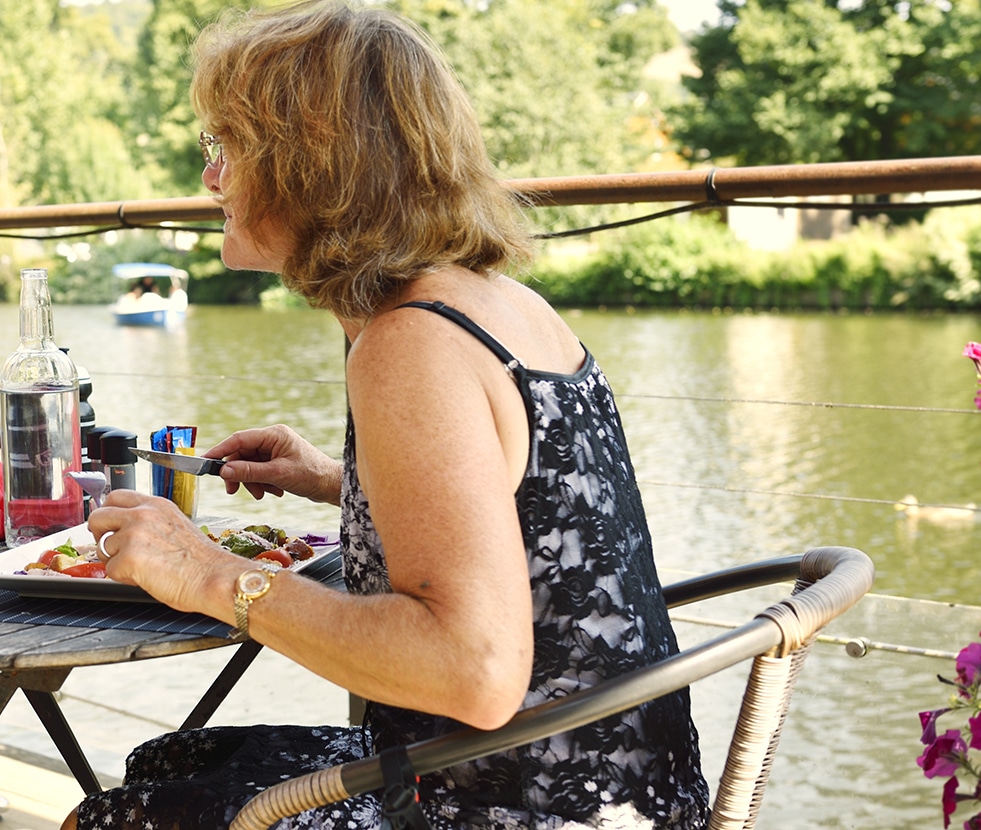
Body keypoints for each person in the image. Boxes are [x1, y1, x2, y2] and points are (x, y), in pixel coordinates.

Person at [72, 2, 708, 828]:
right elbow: (535, 522)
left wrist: (205, 573)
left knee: (118, 818)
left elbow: (472, 668)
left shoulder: (410, 342)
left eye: (229, 147)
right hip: (624, 788)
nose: (211, 178)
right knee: (171, 764)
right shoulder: (495, 301)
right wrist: (344, 484)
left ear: (312, 165)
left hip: (524, 803)